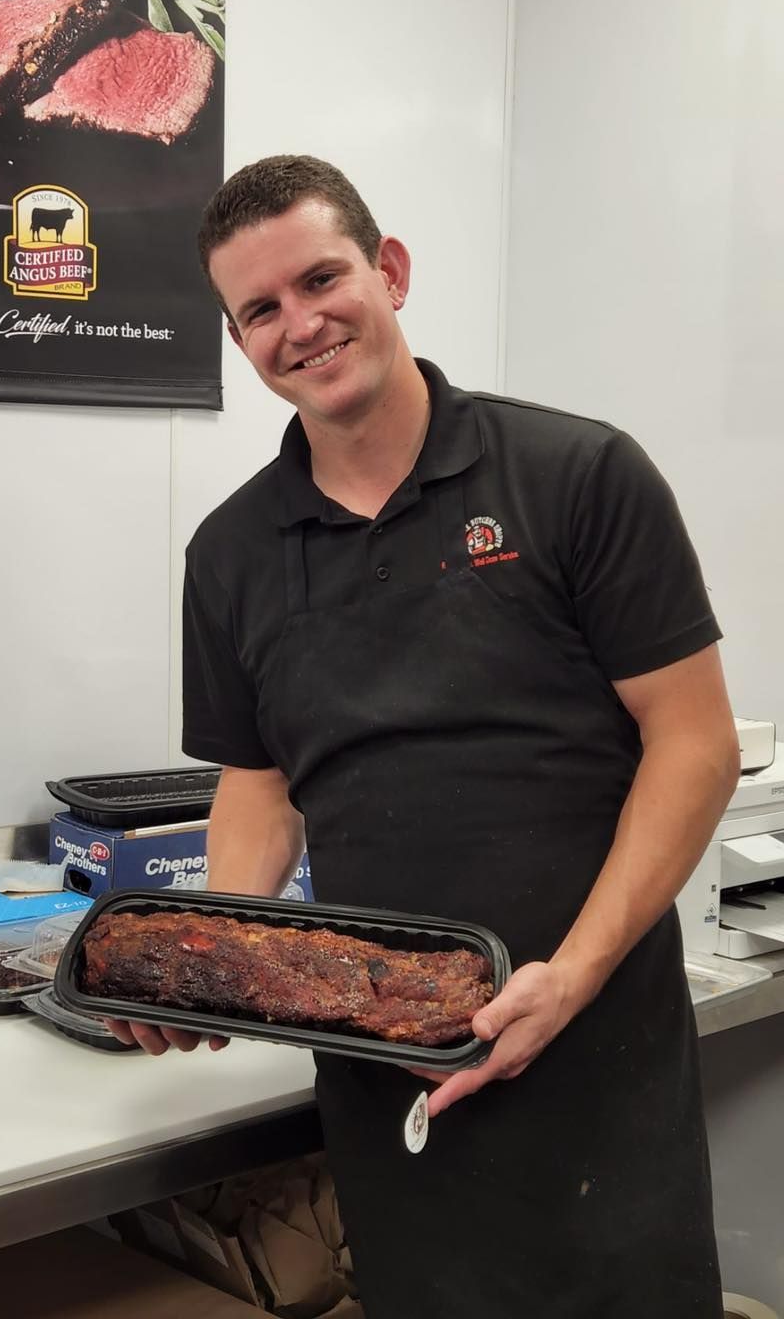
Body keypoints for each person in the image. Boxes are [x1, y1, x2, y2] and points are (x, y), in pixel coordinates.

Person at [105, 155, 739, 1317]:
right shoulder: (232, 553)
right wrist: (215, 960)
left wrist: (574, 973)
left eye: (320, 279)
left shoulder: (575, 475)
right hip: (381, 1058)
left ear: (389, 273)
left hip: (595, 1046)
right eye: (260, 311)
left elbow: (695, 745)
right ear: (239, 342)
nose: (300, 325)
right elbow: (259, 784)